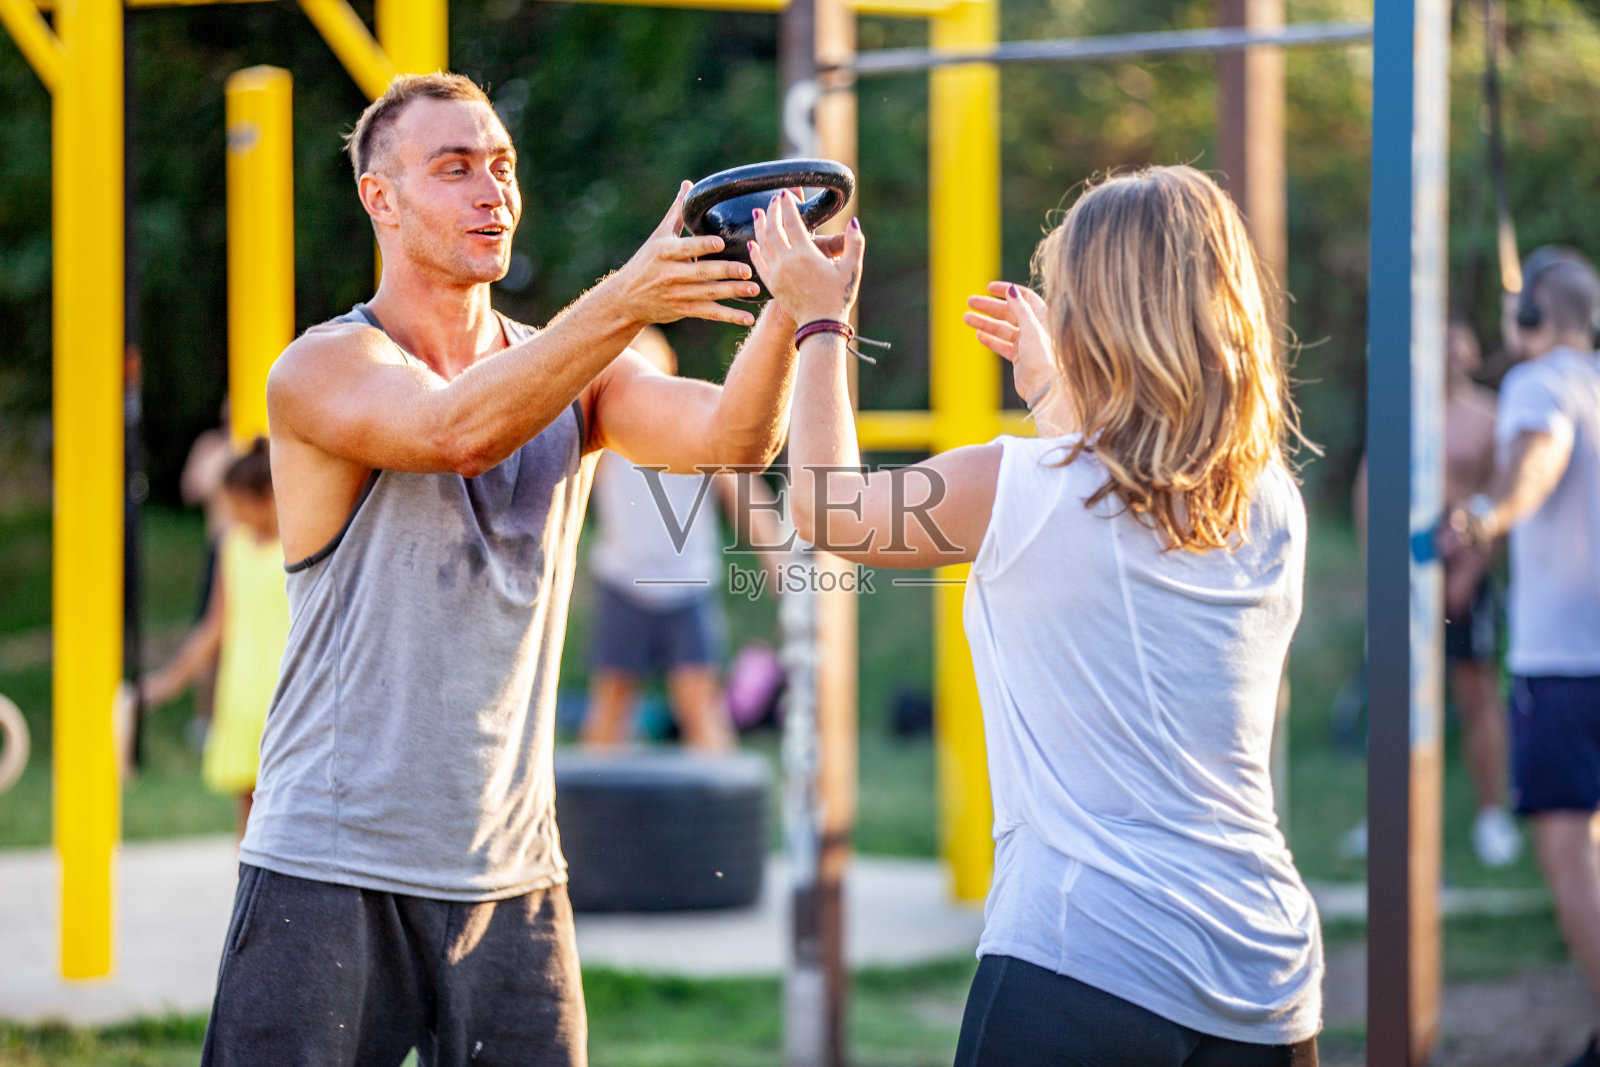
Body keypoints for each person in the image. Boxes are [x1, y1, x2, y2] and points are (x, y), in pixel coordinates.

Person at [203, 73, 819, 1065]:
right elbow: (457, 430)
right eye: (455, 167)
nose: (492, 189)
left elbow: (735, 438)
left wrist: (791, 309)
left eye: (502, 165)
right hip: (330, 857)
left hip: (513, 871)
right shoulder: (322, 367)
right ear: (381, 199)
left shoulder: (585, 379)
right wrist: (627, 295)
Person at [750, 166, 1320, 1064]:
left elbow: (829, 510)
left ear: (1100, 314)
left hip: (1082, 962)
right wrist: (1058, 394)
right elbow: (1121, 493)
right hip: (1264, 978)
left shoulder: (1021, 487)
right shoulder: (1272, 500)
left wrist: (820, 321)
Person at [1444, 246, 1600, 1067]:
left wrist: (1483, 513)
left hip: (1567, 662)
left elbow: (1537, 459)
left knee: (1567, 845)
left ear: (1535, 316)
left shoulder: (1537, 386)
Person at [1344, 319, 1521, 868]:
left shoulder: (1489, 417)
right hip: (1405, 567)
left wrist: (1471, 571)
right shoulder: (1401, 412)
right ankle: (1386, 818)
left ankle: (1491, 817)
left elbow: (1501, 499)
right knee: (1395, 694)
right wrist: (1382, 571)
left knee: (1476, 692)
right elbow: (1371, 489)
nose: (1444, 354)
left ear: (1468, 353)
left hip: (1465, 563)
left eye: (1453, 344)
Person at [581, 325, 783, 752]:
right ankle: (589, 814)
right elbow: (568, 494)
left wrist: (780, 567)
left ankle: (722, 811)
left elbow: (745, 495)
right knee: (613, 701)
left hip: (687, 584)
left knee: (698, 701)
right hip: (624, 581)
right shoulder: (605, 433)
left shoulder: (696, 427)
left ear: (668, 371)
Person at [141, 438, 290, 838]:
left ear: (268, 498)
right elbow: (214, 626)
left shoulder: (300, 544)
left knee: (292, 800)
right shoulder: (233, 546)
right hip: (245, 688)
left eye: (239, 503)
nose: (233, 513)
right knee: (250, 803)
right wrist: (169, 681)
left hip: (289, 687)